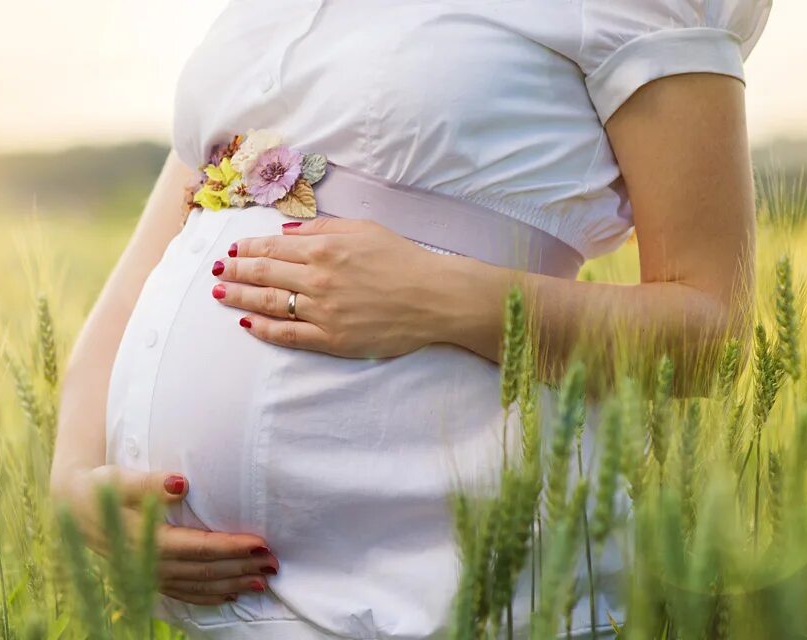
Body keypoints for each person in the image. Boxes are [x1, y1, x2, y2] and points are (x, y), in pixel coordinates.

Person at [51, 0, 770, 637]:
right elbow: (142, 275)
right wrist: (73, 480)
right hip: (221, 615)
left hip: (453, 595)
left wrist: (438, 297)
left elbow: (712, 329)